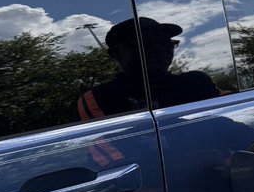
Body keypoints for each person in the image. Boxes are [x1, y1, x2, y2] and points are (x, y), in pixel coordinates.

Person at [76, 17, 220, 120]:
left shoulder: (196, 83)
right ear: (115, 55)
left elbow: (227, 124)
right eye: (146, 43)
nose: (159, 49)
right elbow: (106, 151)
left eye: (166, 43)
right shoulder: (98, 99)